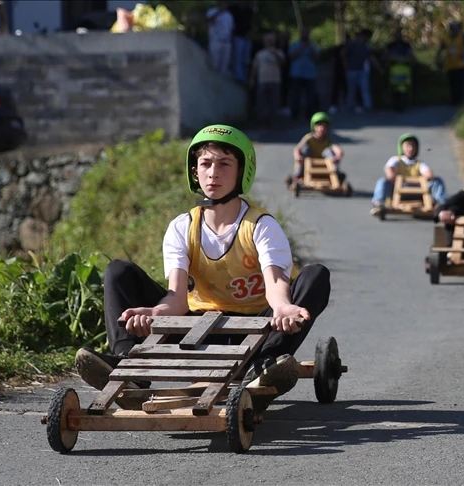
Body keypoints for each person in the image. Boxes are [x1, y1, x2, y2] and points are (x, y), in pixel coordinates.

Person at [75, 124, 332, 412]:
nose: (213, 173)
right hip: (196, 329)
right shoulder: (182, 227)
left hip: (257, 330)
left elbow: (275, 283)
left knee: (316, 276)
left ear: (241, 171)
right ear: (195, 171)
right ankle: (128, 365)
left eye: (224, 164)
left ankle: (266, 365)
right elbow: (176, 298)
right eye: (206, 164)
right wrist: (153, 313)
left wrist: (284, 308)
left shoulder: (261, 226)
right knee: (118, 271)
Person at [370, 133, 448, 215]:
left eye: (413, 146)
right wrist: (391, 174)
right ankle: (378, 204)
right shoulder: (396, 160)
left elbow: (427, 171)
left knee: (437, 181)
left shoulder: (419, 164)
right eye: (407, 146)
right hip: (397, 190)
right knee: (382, 181)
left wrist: (429, 175)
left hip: (417, 192)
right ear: (402, 148)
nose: (410, 149)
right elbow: (389, 168)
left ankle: (441, 204)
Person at [287, 112, 345, 186]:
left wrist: (338, 156)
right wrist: (298, 156)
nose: (322, 129)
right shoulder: (309, 138)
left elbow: (337, 149)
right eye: (319, 126)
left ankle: (336, 175)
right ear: (314, 127)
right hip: (308, 162)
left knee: (328, 151)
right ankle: (298, 176)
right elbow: (297, 148)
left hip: (323, 164)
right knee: (305, 149)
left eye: (324, 126)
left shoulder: (328, 140)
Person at [250, 32, 285, 128]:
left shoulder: (278, 52)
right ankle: (261, 122)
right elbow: (255, 68)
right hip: (262, 80)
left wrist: (275, 54)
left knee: (274, 103)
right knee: (261, 102)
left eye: (270, 40)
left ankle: (273, 123)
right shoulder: (260, 54)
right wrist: (252, 79)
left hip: (275, 81)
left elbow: (283, 64)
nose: (269, 42)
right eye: (267, 40)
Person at [435, 20, 464, 106]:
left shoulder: (463, 37)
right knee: (452, 84)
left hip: (461, 65)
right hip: (450, 65)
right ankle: (454, 100)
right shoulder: (447, 38)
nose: (453, 30)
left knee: (461, 84)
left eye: (454, 28)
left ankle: (462, 100)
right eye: (451, 28)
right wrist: (437, 58)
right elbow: (441, 49)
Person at [287, 27, 320, 120]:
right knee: (296, 95)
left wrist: (309, 48)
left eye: (307, 33)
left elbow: (317, 57)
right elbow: (291, 56)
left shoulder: (313, 46)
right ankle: (295, 114)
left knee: (310, 96)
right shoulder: (294, 45)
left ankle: (309, 115)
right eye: (303, 33)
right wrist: (301, 48)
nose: (305, 35)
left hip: (310, 75)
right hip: (297, 74)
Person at [206, 1, 235, 74]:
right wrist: (218, 13)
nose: (224, 4)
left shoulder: (229, 15)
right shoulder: (212, 11)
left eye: (225, 3)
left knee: (224, 65)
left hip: (227, 42)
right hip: (216, 40)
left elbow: (231, 29)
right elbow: (209, 21)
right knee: (214, 62)